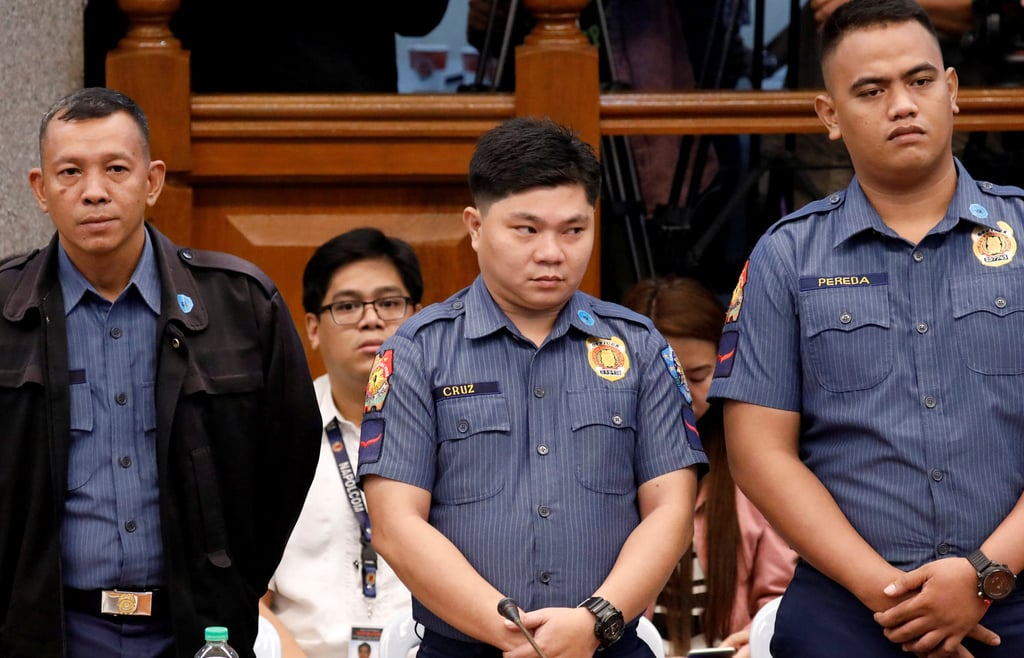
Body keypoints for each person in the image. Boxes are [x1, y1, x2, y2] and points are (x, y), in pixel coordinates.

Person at [709, 0, 1024, 656]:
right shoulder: (785, 256)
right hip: (851, 608)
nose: (903, 105)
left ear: (954, 91)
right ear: (829, 115)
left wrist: (983, 575)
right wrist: (891, 596)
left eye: (920, 81)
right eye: (871, 91)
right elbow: (758, 453)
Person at [357, 117, 707, 658]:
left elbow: (671, 510)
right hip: (465, 647)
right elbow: (396, 524)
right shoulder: (417, 351)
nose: (553, 252)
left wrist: (596, 621)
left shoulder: (638, 346)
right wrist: (513, 634)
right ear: (475, 226)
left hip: (607, 645)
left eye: (574, 230)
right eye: (527, 230)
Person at [0, 87, 321, 657]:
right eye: (70, 172)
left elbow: (289, 456)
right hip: (47, 629)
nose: (94, 192)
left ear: (151, 181)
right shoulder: (5, 309)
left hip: (197, 630)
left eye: (115, 169)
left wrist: (232, 582)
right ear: (40, 189)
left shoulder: (240, 304)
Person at [260, 228, 423, 658]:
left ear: (419, 318)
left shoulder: (459, 434)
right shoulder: (272, 431)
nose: (371, 319)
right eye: (348, 306)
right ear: (312, 328)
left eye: (389, 303)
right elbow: (243, 587)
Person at [622, 278, 796, 658]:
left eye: (698, 376)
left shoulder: (752, 467)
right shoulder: (606, 470)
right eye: (660, 379)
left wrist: (761, 633)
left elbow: (781, 591)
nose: (679, 394)